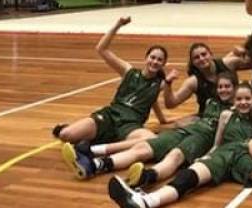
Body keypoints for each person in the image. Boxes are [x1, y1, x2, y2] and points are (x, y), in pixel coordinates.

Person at [107, 85, 252, 208]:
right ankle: (144, 202)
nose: (243, 102)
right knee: (188, 177)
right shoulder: (228, 115)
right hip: (223, 154)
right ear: (234, 101)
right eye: (239, 99)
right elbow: (217, 142)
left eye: (247, 99)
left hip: (245, 157)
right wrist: (206, 155)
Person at [62, 72, 237, 182]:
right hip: (184, 131)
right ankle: (95, 165)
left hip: (201, 139)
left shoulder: (236, 111)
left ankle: (146, 177)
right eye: (220, 87)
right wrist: (179, 121)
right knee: (142, 148)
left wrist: (210, 153)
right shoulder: (211, 102)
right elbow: (198, 115)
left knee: (174, 156)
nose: (223, 90)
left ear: (235, 88)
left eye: (227, 87)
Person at [54, 17, 168, 177]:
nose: (155, 62)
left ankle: (92, 150)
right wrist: (118, 25)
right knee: (65, 135)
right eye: (152, 57)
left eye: (159, 60)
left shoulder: (160, 84)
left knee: (151, 140)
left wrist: (164, 120)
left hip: (130, 125)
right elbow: (101, 49)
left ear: (163, 64)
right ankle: (85, 140)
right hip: (110, 116)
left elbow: (153, 101)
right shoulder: (128, 71)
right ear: (146, 58)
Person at [162, 42, 241, 124]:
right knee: (179, 124)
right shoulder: (193, 82)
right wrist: (168, 82)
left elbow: (250, 60)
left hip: (235, 112)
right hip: (208, 118)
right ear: (193, 62)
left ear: (211, 54)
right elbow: (170, 104)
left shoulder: (228, 64)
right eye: (196, 57)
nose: (201, 59)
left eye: (204, 54)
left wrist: (243, 51)